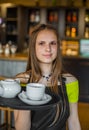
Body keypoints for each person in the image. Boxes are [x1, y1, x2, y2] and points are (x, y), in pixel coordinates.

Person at [14, 24, 81, 130]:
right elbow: (21, 128)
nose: (48, 49)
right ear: (33, 47)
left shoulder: (71, 82)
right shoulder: (21, 81)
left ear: (58, 47)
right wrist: (25, 93)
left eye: (52, 43)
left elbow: (74, 122)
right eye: (41, 43)